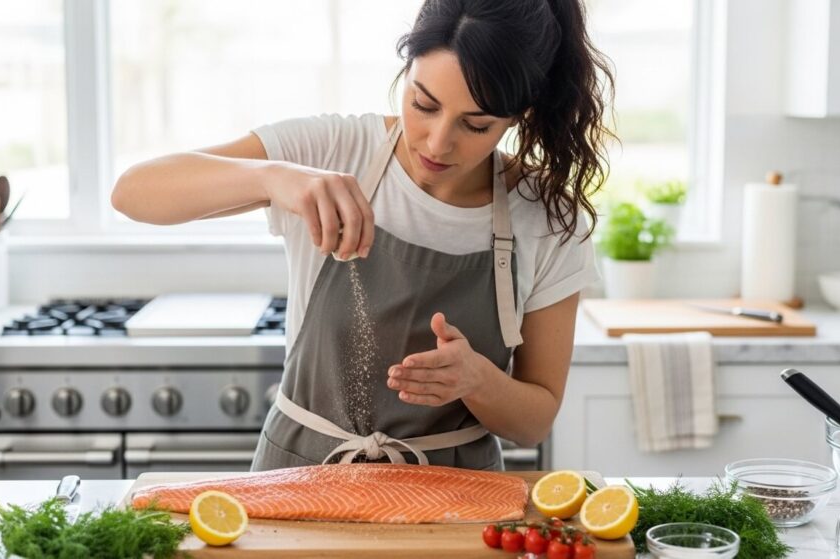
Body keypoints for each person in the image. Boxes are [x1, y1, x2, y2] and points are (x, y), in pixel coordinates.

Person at [111, 0, 615, 471]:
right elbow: (133, 193)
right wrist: (272, 177)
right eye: (424, 104)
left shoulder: (547, 219)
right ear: (406, 71)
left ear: (519, 114)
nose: (439, 142)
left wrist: (478, 380)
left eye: (476, 125)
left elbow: (534, 422)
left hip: (456, 498)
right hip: (300, 474)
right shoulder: (333, 149)